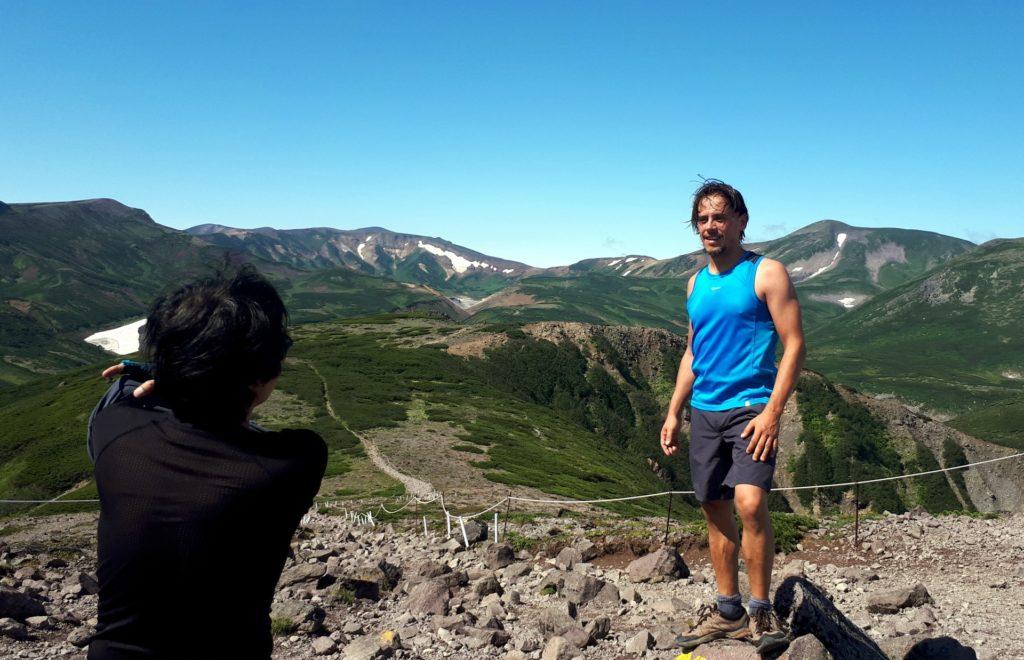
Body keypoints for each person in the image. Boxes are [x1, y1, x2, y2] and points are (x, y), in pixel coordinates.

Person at [86, 266, 327, 659]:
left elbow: (123, 391)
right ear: (258, 374)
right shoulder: (296, 461)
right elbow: (248, 434)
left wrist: (166, 374)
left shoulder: (113, 429)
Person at [660, 180, 805, 654]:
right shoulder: (695, 282)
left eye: (720, 217)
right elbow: (692, 351)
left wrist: (772, 413)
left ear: (741, 220)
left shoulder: (766, 273)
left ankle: (762, 612)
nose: (710, 226)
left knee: (748, 503)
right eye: (702, 219)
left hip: (750, 410)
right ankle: (729, 612)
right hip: (704, 411)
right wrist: (673, 409)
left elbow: (795, 345)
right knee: (714, 508)